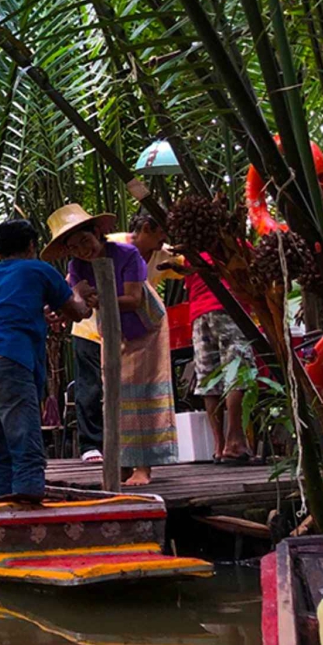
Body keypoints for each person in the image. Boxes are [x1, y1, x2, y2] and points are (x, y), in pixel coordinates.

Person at [0, 218, 93, 501]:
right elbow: (78, 312)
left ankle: (1, 511)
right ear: (32, 245)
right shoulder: (39, 269)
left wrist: (38, 315)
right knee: (25, 441)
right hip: (8, 358)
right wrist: (78, 292)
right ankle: (29, 508)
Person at [50, 205, 177, 486]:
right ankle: (122, 463)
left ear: (98, 232)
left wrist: (100, 299)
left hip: (147, 326)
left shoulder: (127, 254)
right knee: (114, 392)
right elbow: (80, 305)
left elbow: (133, 299)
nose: (83, 250)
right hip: (111, 328)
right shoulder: (76, 266)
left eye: (85, 240)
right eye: (74, 247)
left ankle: (143, 467)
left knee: (142, 391)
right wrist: (63, 311)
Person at [188, 256, 254, 463]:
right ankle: (235, 442)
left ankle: (219, 446)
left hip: (199, 315)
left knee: (209, 378)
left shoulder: (191, 254)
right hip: (229, 307)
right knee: (237, 371)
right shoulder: (235, 247)